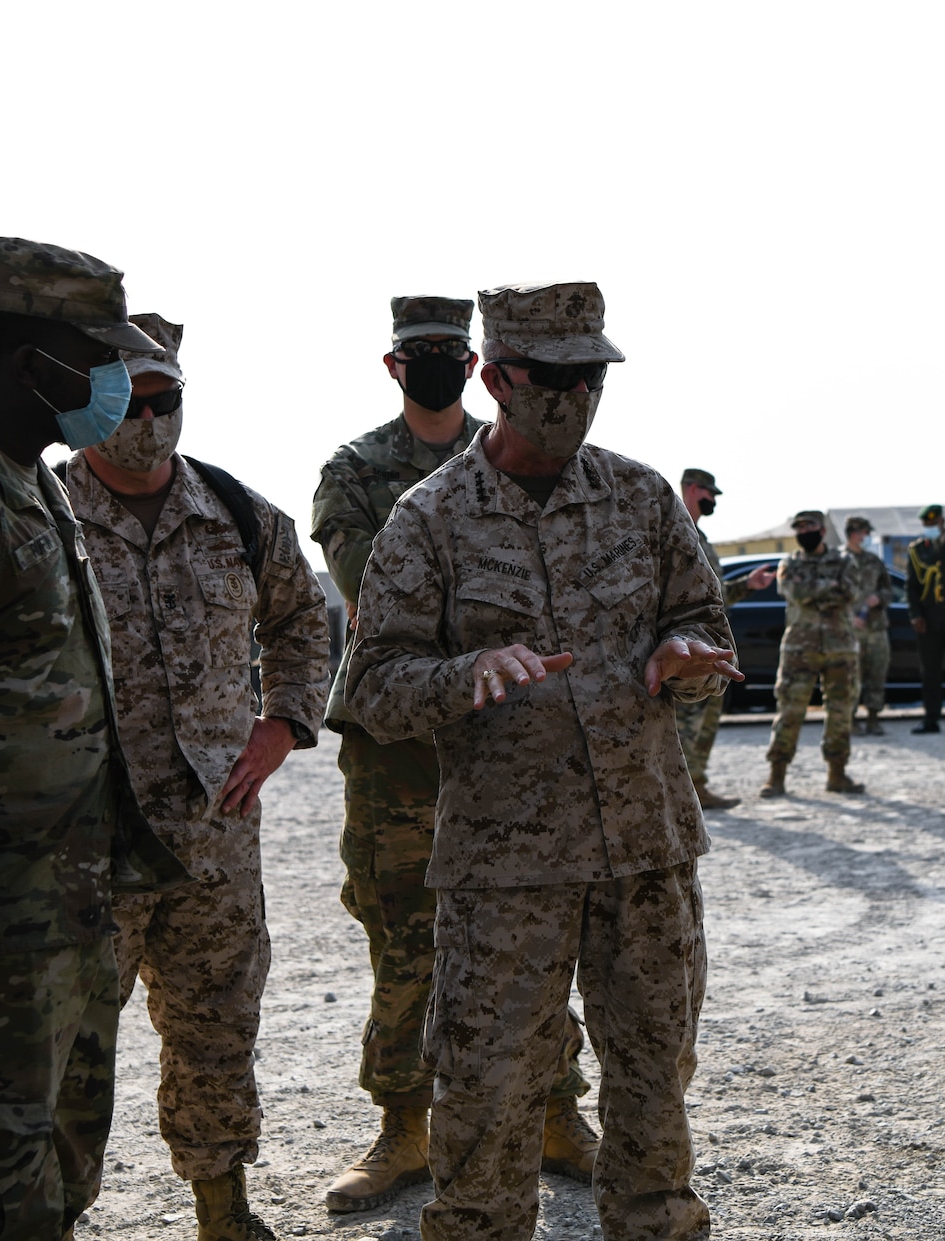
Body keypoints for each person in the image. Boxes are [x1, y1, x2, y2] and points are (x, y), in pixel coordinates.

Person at [344, 280, 736, 1241]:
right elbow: (371, 687)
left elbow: (705, 620)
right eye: (551, 379)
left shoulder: (643, 498)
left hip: (645, 850)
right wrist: (467, 672)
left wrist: (688, 658)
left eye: (590, 379)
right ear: (495, 378)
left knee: (654, 1089)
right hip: (503, 868)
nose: (573, 398)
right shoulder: (429, 519)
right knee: (485, 1102)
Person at [0, 237, 189, 1239]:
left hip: (55, 918)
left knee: (51, 1177)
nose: (115, 383)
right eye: (94, 357)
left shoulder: (28, 478)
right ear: (28, 363)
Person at [311, 297, 596, 1213]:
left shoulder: (521, 455)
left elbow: (565, 590)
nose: (433, 363)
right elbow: (370, 584)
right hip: (397, 747)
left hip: (511, 733)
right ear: (394, 367)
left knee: (539, 925)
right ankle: (403, 1128)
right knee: (404, 934)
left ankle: (558, 1113)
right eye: (418, 353)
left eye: (449, 351)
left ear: (474, 363)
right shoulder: (356, 470)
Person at [64, 313, 333, 1238]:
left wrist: (283, 723)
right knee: (68, 1045)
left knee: (218, 1028)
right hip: (86, 842)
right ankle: (51, 1211)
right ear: (88, 404)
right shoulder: (43, 510)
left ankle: (224, 1207)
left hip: (214, 836)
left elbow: (304, 622)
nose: (148, 419)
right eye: (128, 403)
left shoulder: (238, 513)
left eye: (163, 400)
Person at [673, 467, 775, 807]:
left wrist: (748, 584)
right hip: (687, 649)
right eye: (708, 493)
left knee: (705, 726)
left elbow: (714, 595)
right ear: (690, 488)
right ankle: (679, 796)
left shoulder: (701, 538)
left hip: (714, 652)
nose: (713, 500)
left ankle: (697, 788)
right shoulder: (671, 531)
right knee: (684, 727)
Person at [763, 511, 868, 796]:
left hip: (840, 648)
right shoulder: (788, 563)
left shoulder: (844, 561)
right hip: (800, 648)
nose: (804, 531)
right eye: (799, 528)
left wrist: (814, 588)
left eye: (809, 526)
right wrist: (828, 586)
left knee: (841, 712)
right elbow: (795, 593)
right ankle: (777, 776)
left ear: (822, 531)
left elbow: (850, 592)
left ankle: (837, 774)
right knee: (789, 711)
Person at [903, 505, 945, 735]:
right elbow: (911, 587)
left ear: (941, 521)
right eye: (925, 525)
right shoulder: (917, 550)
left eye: (932, 524)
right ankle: (931, 720)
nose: (929, 528)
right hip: (928, 621)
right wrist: (915, 615)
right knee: (930, 674)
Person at [843, 516, 893, 735]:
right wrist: (847, 616)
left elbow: (889, 590)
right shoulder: (838, 561)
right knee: (851, 677)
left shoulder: (874, 561)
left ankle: (873, 718)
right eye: (863, 532)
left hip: (876, 628)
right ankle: (851, 720)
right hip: (849, 630)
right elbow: (829, 597)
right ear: (854, 533)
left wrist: (879, 599)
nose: (866, 537)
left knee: (877, 673)